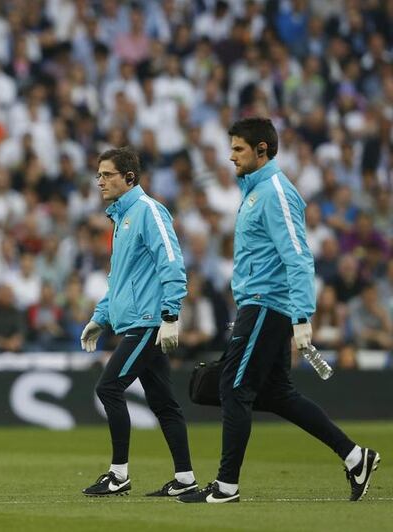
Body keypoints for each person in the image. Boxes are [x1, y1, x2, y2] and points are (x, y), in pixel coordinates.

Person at [179, 117, 380, 504]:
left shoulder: (274, 190)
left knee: (234, 388)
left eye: (238, 149)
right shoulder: (256, 190)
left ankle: (226, 486)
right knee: (277, 394)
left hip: (267, 305)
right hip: (260, 305)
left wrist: (303, 316)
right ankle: (356, 457)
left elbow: (299, 257)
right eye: (232, 147)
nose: (230, 156)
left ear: (262, 150)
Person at [80, 146, 197, 497]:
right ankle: (186, 479)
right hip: (137, 322)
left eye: (107, 174)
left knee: (108, 388)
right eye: (98, 174)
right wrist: (99, 318)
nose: (100, 181)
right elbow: (118, 279)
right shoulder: (121, 218)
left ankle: (118, 475)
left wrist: (171, 314)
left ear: (129, 178)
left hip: (148, 322)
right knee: (163, 404)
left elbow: (172, 262)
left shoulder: (148, 211)